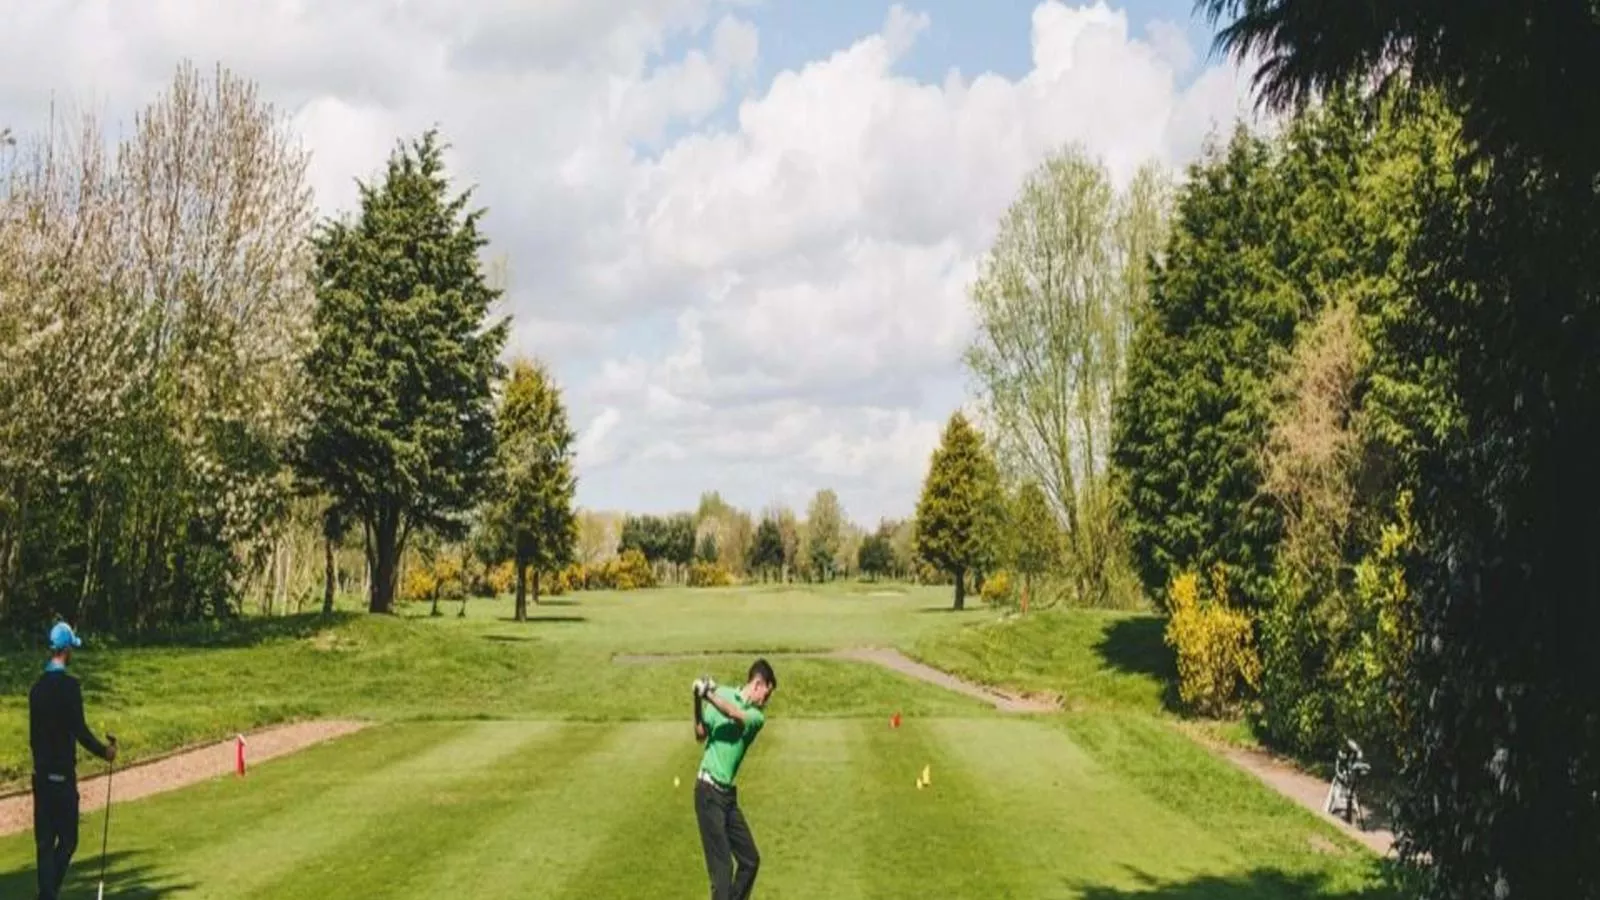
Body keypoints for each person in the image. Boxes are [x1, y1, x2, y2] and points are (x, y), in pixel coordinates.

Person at [29, 621, 116, 900]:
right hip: (63, 777)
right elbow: (80, 731)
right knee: (68, 840)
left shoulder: (36, 689)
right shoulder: (70, 687)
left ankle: (47, 894)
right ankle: (47, 895)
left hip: (41, 777)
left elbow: (33, 737)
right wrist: (105, 752)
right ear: (66, 650)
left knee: (44, 844)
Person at [691, 659, 776, 900]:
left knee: (750, 860)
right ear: (758, 684)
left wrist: (708, 693)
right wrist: (698, 698)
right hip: (707, 793)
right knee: (723, 872)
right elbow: (700, 734)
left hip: (727, 798)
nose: (765, 702)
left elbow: (733, 714)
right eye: (766, 695)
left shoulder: (756, 717)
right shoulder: (724, 693)